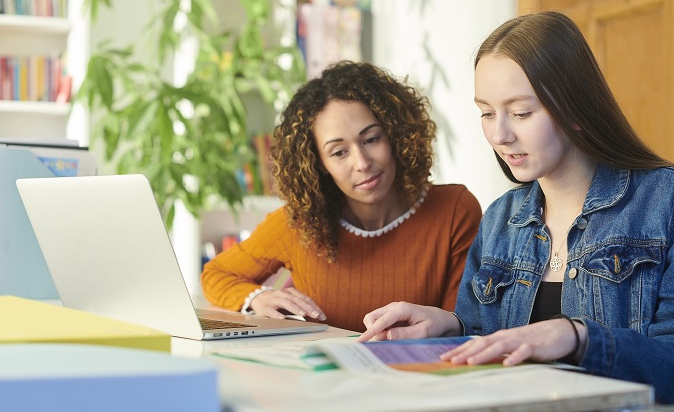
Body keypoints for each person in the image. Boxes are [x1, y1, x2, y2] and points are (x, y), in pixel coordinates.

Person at [359, 12, 674, 408]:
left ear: (574, 107)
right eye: (486, 113)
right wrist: (449, 326)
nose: (500, 135)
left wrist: (578, 337)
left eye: (521, 112)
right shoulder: (501, 219)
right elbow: (486, 342)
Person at [201, 61, 482, 333]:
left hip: (419, 375)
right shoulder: (298, 223)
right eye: (339, 152)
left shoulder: (454, 210)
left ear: (395, 135)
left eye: (371, 139)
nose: (361, 163)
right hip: (322, 378)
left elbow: (464, 324)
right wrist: (257, 298)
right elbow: (216, 275)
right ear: (318, 163)